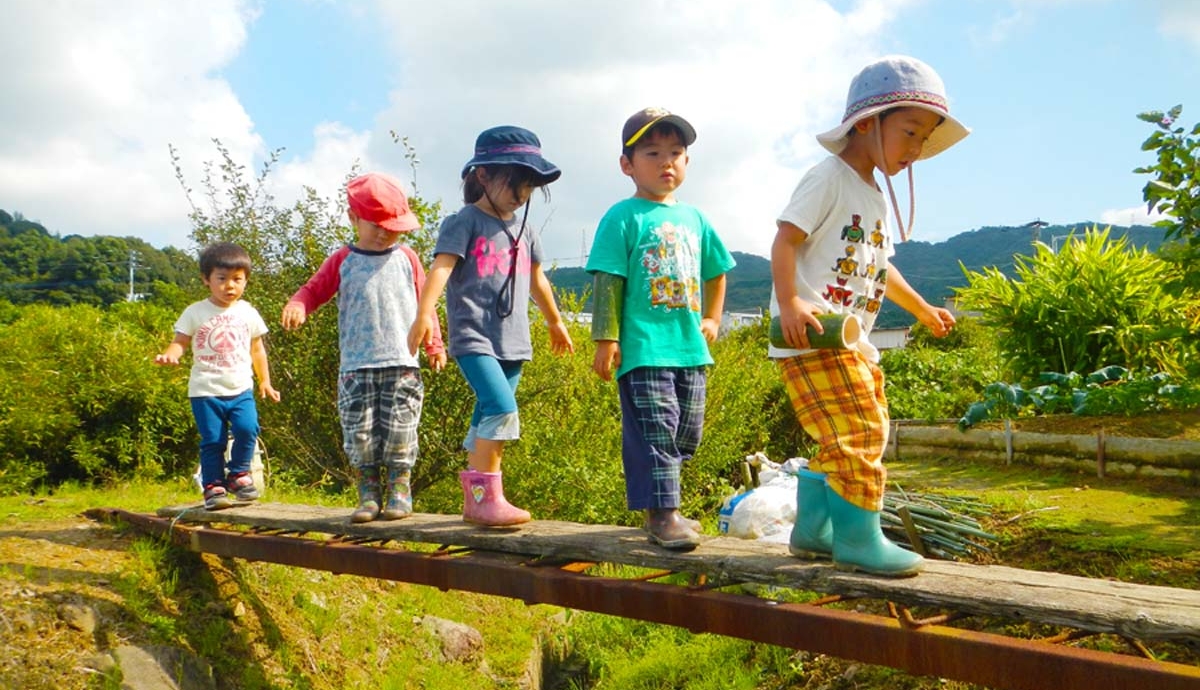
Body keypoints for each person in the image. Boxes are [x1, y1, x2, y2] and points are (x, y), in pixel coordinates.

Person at [770, 55, 969, 577]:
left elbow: (881, 269)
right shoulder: (829, 177)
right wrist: (790, 301)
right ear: (866, 123)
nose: (917, 149)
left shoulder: (872, 195)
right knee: (863, 430)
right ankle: (859, 539)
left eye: (924, 138)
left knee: (844, 435)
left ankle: (815, 531)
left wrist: (923, 309)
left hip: (853, 339)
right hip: (817, 332)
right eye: (909, 132)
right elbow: (785, 238)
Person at [408, 126, 574, 527]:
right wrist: (424, 316)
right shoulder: (463, 221)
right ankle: (490, 497)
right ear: (483, 175)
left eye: (529, 185)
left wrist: (555, 321)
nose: (521, 193)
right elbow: (441, 269)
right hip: (474, 336)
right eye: (514, 182)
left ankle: (475, 500)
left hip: (514, 339)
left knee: (485, 415)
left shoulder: (526, 229)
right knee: (501, 408)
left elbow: (537, 280)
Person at [586, 108, 736, 551]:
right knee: (657, 431)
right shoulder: (622, 216)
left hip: (690, 348)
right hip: (645, 347)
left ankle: (665, 504)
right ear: (627, 165)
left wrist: (712, 317)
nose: (666, 162)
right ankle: (662, 514)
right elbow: (608, 281)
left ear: (687, 162)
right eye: (652, 153)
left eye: (676, 153)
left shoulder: (696, 218)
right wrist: (606, 339)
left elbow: (718, 271)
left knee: (687, 433)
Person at [282, 172, 447, 523]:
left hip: (402, 362)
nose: (386, 232)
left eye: (394, 226)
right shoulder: (343, 259)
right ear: (353, 218)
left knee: (401, 432)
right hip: (356, 367)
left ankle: (400, 489)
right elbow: (313, 290)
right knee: (359, 434)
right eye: (377, 225)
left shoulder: (407, 257)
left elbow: (425, 304)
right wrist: (298, 305)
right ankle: (369, 493)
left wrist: (434, 344)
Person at [155, 241, 280, 510]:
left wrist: (265, 381)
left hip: (240, 389)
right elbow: (180, 342)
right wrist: (171, 354)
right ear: (206, 279)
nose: (230, 286)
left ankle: (238, 474)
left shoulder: (247, 312)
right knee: (213, 440)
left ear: (246, 281)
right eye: (221, 279)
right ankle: (213, 486)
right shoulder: (195, 312)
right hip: (205, 391)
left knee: (248, 430)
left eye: (237, 279)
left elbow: (257, 350)